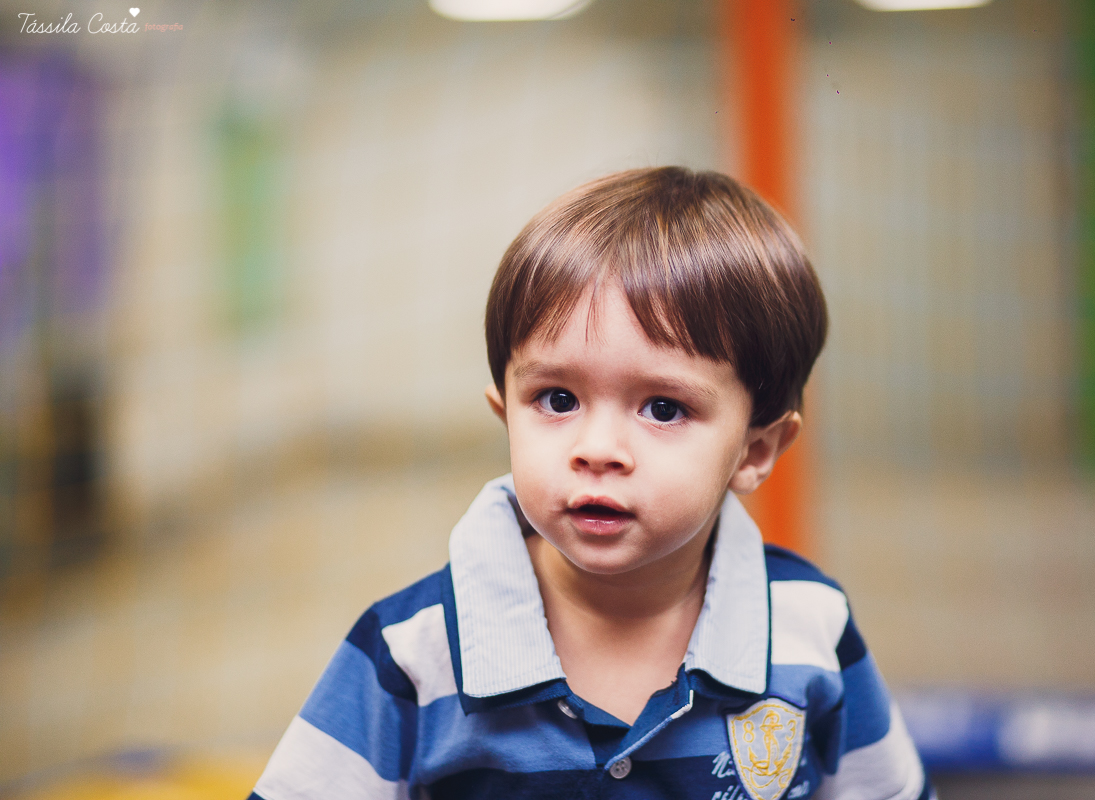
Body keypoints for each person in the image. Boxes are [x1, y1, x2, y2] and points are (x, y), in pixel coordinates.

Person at [248, 167, 933, 800]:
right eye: (557, 399)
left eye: (663, 408)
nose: (597, 450)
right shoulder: (412, 652)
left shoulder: (810, 629)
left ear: (755, 451)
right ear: (506, 416)